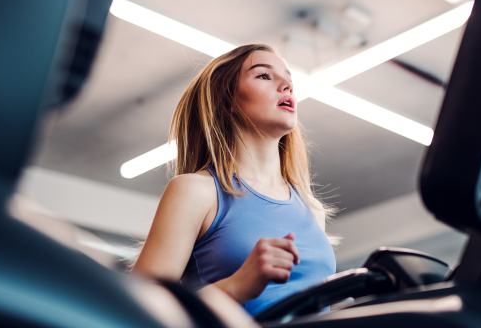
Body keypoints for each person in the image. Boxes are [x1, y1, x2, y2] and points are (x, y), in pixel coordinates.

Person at [131, 44, 337, 316]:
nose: (287, 85)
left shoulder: (312, 210)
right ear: (224, 100)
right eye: (264, 75)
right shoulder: (196, 191)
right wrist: (235, 286)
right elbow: (138, 309)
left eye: (289, 79)